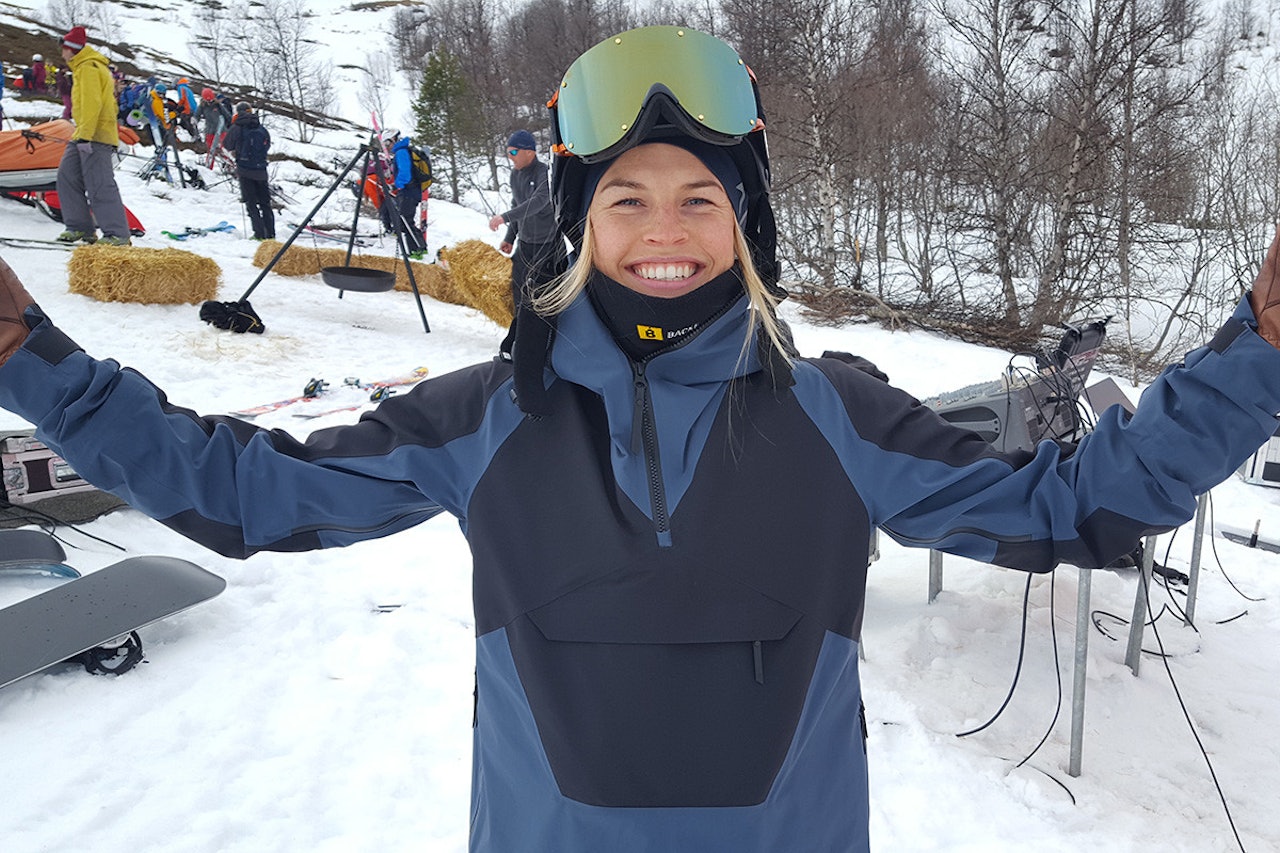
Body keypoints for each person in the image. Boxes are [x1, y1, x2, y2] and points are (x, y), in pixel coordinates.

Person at [0, 25, 1278, 852]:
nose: (662, 229)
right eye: (624, 197)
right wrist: (39, 367)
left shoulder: (831, 409)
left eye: (697, 198)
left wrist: (1253, 359)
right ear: (575, 222)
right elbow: (247, 494)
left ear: (745, 223)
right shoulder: (493, 414)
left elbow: (1073, 505)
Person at [53, 26, 130, 246]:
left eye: (64, 49)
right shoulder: (82, 68)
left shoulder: (89, 68)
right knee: (67, 177)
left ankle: (117, 233)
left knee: (99, 183)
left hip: (95, 135)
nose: (62, 53)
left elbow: (91, 105)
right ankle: (79, 227)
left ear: (72, 50)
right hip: (84, 133)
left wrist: (85, 137)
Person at [489, 129, 561, 315]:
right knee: (518, 288)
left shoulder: (544, 173)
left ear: (530, 152)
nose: (510, 157)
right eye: (507, 152)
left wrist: (504, 217)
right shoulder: (515, 175)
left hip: (547, 243)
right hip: (525, 242)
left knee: (543, 291)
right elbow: (518, 204)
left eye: (513, 152)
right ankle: (520, 327)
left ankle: (546, 331)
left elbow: (539, 202)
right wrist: (510, 237)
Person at [222, 102, 274, 240]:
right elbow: (267, 144)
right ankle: (271, 234)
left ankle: (259, 234)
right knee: (265, 204)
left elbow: (226, 144)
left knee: (251, 203)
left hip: (245, 170)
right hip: (261, 170)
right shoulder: (260, 127)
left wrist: (236, 151)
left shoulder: (237, 127)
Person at [389, 131, 428, 257]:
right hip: (411, 191)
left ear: (392, 140)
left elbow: (405, 173)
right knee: (406, 220)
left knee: (405, 221)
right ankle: (418, 248)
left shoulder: (401, 152)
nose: (387, 147)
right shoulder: (403, 151)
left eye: (386, 143)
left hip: (408, 192)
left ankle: (416, 249)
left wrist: (396, 185)